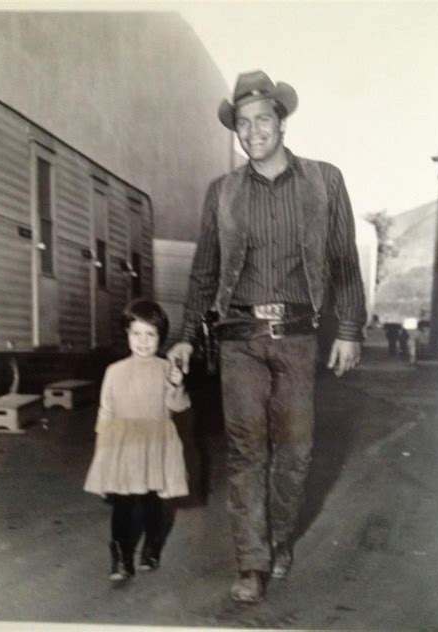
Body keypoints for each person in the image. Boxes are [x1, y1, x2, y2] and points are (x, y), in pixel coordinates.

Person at [168, 70, 366, 603]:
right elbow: (205, 272)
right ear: (235, 130)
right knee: (246, 452)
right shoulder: (223, 193)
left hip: (300, 338)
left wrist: (348, 329)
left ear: (282, 121)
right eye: (242, 123)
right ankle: (252, 562)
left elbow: (345, 261)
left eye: (262, 119)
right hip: (240, 340)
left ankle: (280, 536)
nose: (252, 131)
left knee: (296, 452)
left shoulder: (325, 181)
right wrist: (186, 336)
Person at [84, 299, 190, 581]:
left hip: (156, 444)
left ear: (161, 337)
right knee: (123, 504)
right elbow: (105, 413)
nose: (143, 342)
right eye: (136, 333)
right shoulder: (114, 371)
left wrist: (178, 385)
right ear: (127, 334)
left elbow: (178, 407)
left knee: (152, 501)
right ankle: (120, 557)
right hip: (123, 445)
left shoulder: (167, 368)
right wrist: (103, 453)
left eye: (150, 334)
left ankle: (152, 546)